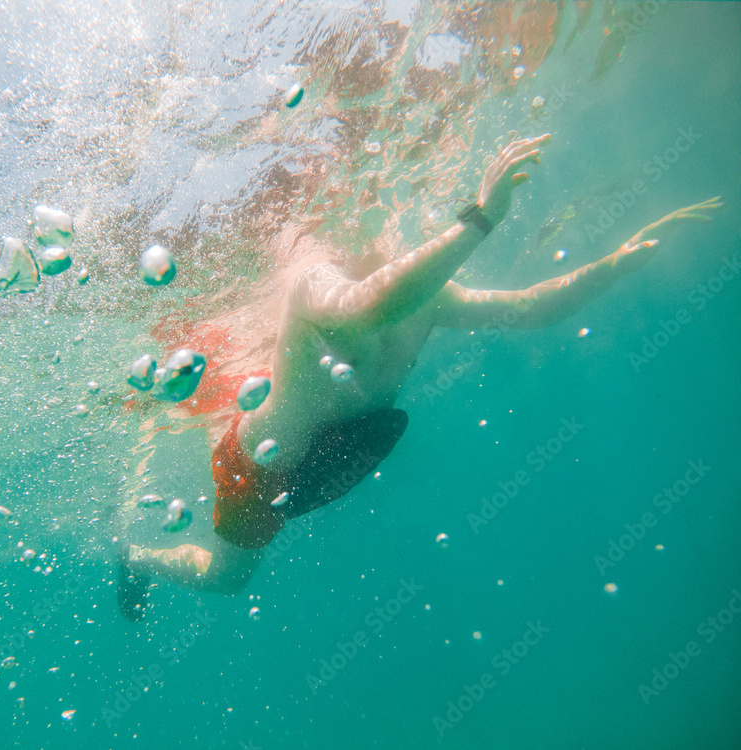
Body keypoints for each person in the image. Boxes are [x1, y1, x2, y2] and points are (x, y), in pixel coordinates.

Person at [117, 132, 721, 620]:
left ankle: (144, 548)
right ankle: (137, 558)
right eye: (366, 216)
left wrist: (622, 259)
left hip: (320, 444)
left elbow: (531, 307)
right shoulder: (311, 280)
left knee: (230, 579)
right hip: (260, 463)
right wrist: (480, 220)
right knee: (227, 580)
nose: (385, 227)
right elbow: (369, 307)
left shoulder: (430, 296)